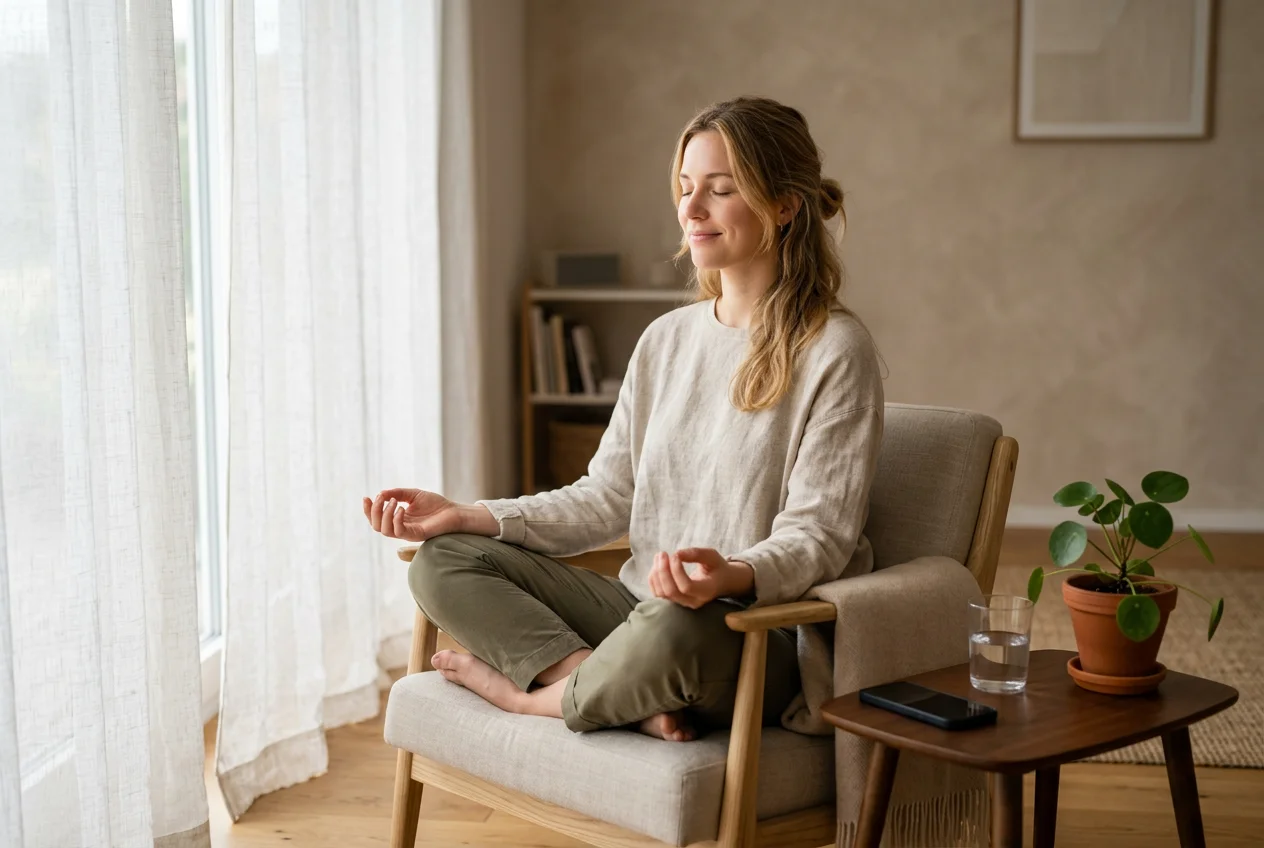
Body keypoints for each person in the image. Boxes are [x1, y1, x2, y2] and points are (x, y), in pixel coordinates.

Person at [362, 95, 883, 743]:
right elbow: (606, 498)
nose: (691, 210)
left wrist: (732, 574)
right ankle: (604, 687)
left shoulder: (835, 349)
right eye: (686, 188)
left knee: (674, 625)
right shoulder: (666, 339)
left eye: (721, 190)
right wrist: (467, 515)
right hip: (639, 613)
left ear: (784, 206)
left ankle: (531, 699)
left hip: (744, 632)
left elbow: (820, 536)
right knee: (442, 561)